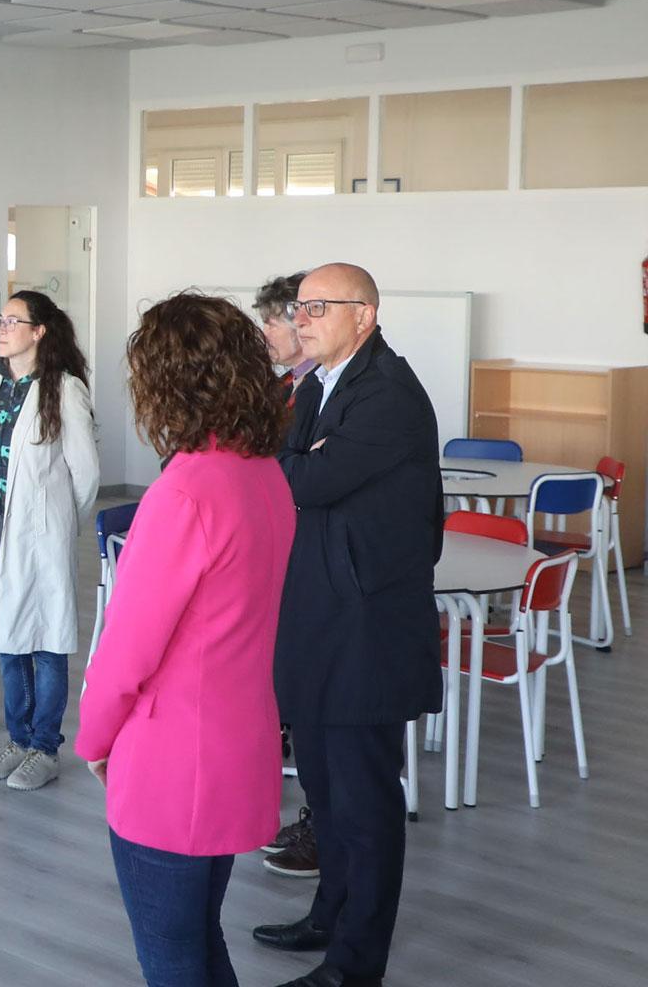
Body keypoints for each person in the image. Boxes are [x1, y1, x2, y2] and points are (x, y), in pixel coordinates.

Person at [77, 293, 297, 987]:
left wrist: (91, 739)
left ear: (165, 384)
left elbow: (127, 651)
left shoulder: (186, 490)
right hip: (237, 741)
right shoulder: (264, 476)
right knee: (200, 942)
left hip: (172, 759)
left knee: (172, 958)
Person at [251, 263, 442, 987]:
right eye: (298, 309)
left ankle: (356, 966)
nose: (301, 319)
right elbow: (286, 464)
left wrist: (298, 462)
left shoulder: (385, 391)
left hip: (366, 625)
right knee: (325, 792)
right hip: (318, 614)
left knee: (364, 803)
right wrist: (297, 458)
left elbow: (304, 480)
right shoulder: (318, 383)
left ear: (364, 314)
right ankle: (327, 915)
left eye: (318, 308)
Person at [0, 290, 99, 791]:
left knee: (47, 641)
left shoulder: (64, 388)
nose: (2, 327)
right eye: (1, 318)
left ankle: (44, 746)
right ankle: (17, 740)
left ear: (39, 331)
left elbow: (85, 476)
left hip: (39, 537)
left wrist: (55, 523)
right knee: (8, 638)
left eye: (13, 320)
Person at [255, 270, 321, 881]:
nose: (267, 333)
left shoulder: (318, 393)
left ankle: (320, 822)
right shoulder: (282, 387)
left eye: (272, 321)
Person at [257, 271, 318, 407]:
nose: (264, 334)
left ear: (299, 325)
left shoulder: (322, 384)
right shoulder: (287, 383)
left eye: (271, 325)